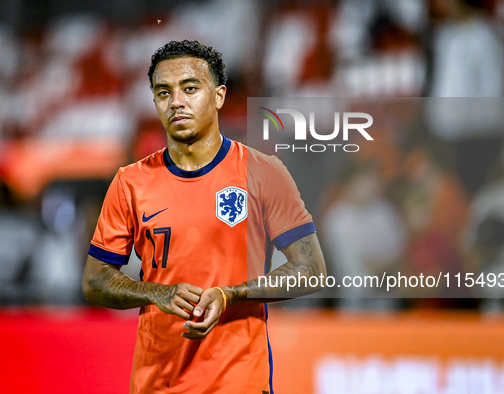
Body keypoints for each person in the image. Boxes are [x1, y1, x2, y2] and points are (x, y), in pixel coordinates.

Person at [82, 40, 326, 394]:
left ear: (219, 96)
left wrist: (232, 294)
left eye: (190, 88)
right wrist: (155, 293)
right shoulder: (130, 182)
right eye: (163, 92)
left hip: (239, 380)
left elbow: (311, 270)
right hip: (157, 382)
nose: (176, 101)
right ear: (154, 101)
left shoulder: (264, 173)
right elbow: (94, 280)